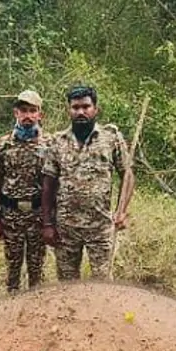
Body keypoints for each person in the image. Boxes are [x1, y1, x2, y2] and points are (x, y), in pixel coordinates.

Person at [41, 85, 136, 281]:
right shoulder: (57, 141)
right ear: (69, 110)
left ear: (95, 109)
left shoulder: (111, 138)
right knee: (67, 284)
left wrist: (122, 210)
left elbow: (127, 174)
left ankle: (100, 313)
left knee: (102, 283)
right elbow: (48, 184)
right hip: (66, 228)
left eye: (86, 106)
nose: (81, 112)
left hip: (100, 227)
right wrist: (48, 223)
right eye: (75, 107)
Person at [0, 90, 49, 292]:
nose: (27, 115)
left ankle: (35, 313)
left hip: (37, 216)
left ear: (39, 114)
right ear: (16, 112)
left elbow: (53, 184)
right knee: (12, 270)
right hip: (11, 216)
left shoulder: (49, 145)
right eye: (23, 110)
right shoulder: (2, 144)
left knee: (37, 271)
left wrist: (50, 219)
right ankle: (11, 313)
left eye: (32, 111)